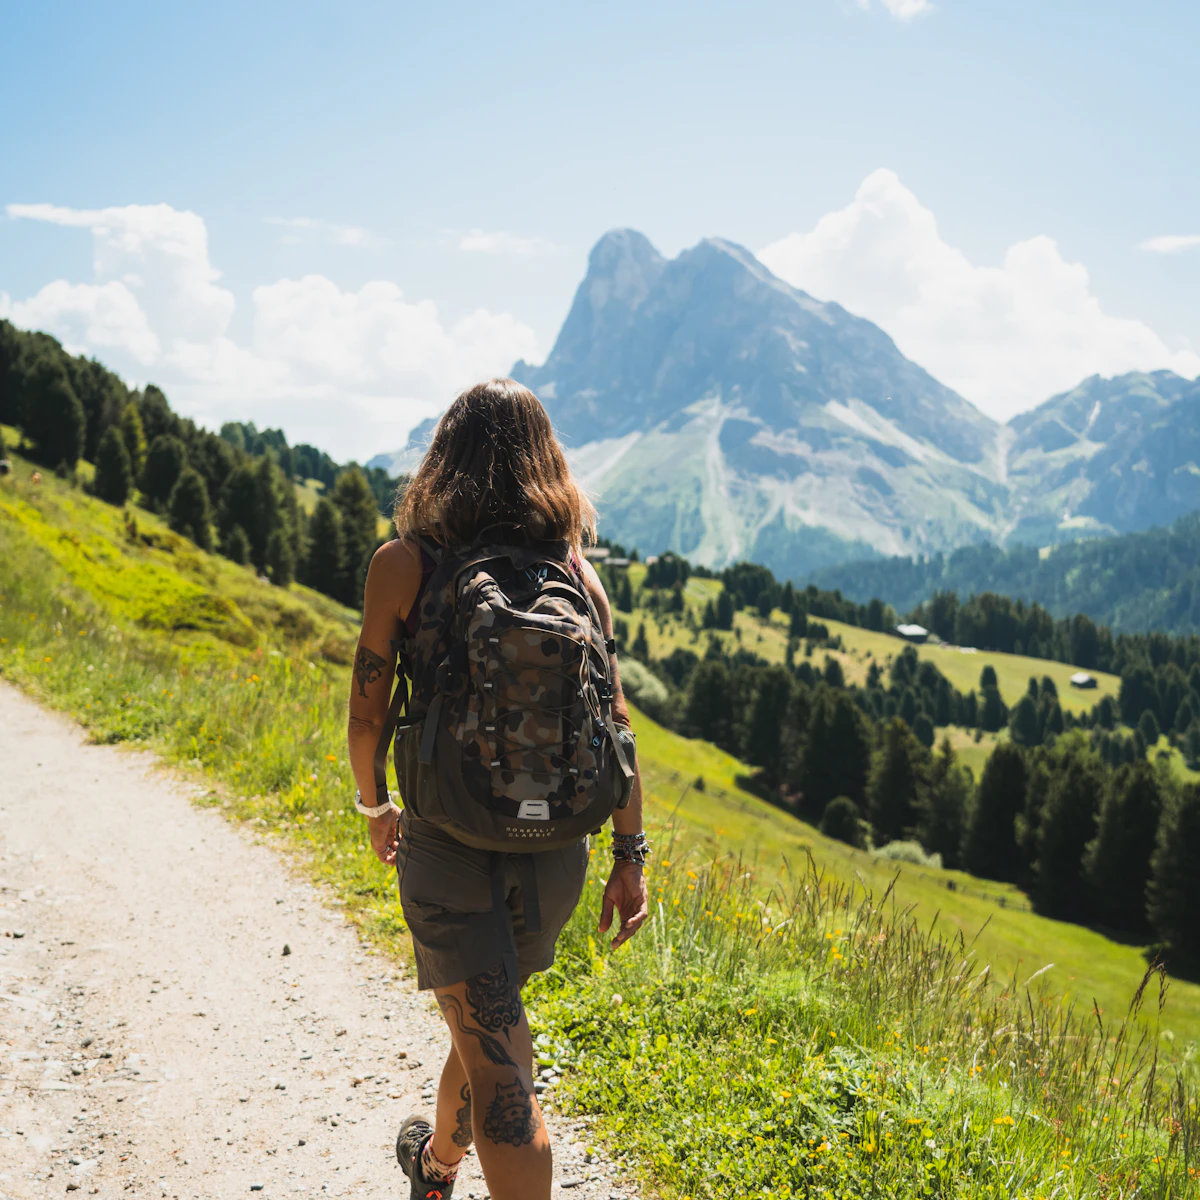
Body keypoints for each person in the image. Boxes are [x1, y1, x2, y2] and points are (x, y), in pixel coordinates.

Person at [346, 379, 650, 1200]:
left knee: (500, 1064)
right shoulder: (580, 581)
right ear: (548, 465)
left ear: (443, 459)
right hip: (557, 854)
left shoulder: (405, 565)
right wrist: (631, 856)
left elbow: (365, 715)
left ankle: (469, 1169)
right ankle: (436, 1167)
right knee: (487, 1028)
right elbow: (616, 726)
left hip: (447, 841)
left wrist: (376, 808)